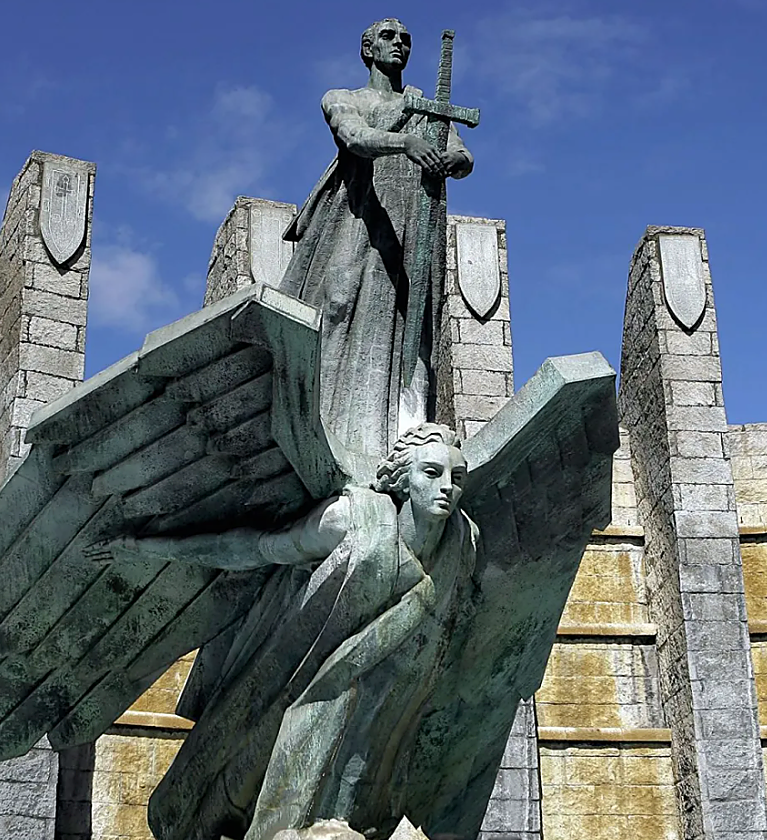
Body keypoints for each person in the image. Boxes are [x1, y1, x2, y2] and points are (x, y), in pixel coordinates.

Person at [86, 423, 477, 839]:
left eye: (457, 478)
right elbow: (254, 548)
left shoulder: (462, 544)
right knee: (229, 781)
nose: (448, 488)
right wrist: (148, 546)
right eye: (432, 473)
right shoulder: (352, 519)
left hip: (380, 719)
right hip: (288, 678)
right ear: (402, 479)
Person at [278, 18, 473, 459]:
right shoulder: (342, 98)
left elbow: (462, 153)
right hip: (359, 218)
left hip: (413, 225)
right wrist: (405, 143)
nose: (399, 45)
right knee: (338, 304)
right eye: (388, 37)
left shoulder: (426, 107)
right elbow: (355, 137)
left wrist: (451, 160)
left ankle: (403, 433)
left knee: (411, 324)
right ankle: (320, 421)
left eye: (406, 39)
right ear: (367, 49)